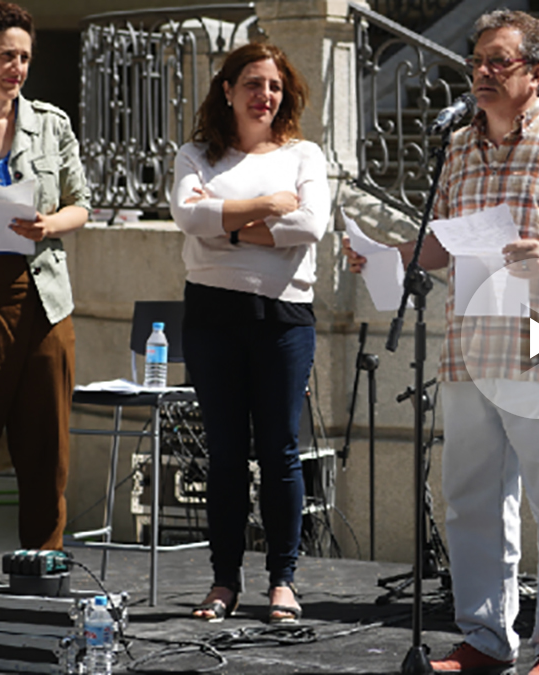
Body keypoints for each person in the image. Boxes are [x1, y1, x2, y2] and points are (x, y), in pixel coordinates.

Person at [344, 10, 539, 675]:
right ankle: (485, 637)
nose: (480, 71)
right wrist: (388, 255)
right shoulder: (457, 145)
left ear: (536, 71)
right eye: (476, 60)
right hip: (471, 337)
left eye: (497, 61)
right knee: (472, 497)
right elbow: (444, 244)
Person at [170, 42, 329, 624]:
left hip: (283, 317)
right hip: (213, 315)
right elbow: (189, 217)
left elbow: (310, 224)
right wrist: (265, 207)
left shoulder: (304, 154)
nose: (266, 96)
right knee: (226, 455)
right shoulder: (196, 155)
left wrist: (228, 224)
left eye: (276, 87)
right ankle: (224, 581)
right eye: (254, 84)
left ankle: (282, 580)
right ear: (228, 90)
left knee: (281, 452)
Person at [0, 0, 90, 586]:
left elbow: (81, 203)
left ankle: (42, 577)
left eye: (25, 56)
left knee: (46, 449)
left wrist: (50, 225)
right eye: (6, 56)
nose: (18, 67)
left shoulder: (51, 125)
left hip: (42, 301)